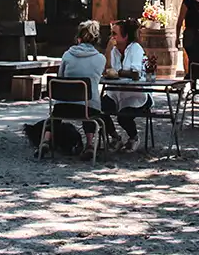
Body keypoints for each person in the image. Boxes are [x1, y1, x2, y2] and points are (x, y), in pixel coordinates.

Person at [49, 20, 107, 158]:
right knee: (90, 106)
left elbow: (60, 77)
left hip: (63, 106)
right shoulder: (100, 59)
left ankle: (45, 141)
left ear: (78, 38)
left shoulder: (67, 55)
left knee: (54, 116)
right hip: (87, 108)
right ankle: (90, 144)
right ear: (96, 40)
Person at [102, 19, 150, 152]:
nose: (112, 37)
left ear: (125, 36)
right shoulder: (114, 50)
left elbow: (135, 73)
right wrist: (108, 48)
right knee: (97, 110)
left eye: (115, 34)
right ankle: (115, 137)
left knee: (123, 116)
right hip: (115, 93)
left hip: (135, 95)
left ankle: (133, 138)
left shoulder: (135, 49)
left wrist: (117, 73)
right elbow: (106, 68)